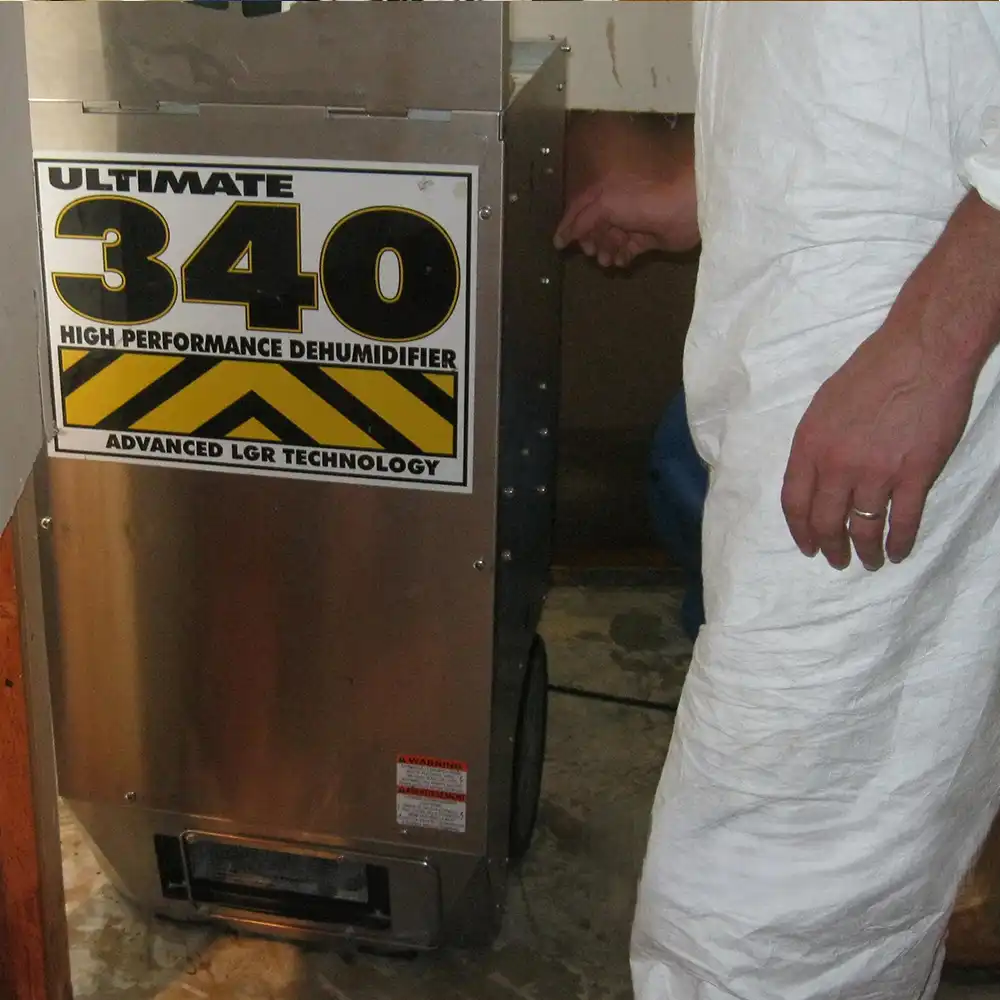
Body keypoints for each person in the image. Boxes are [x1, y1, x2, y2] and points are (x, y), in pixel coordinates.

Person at [555, 5, 1000, 999]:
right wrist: (722, 181)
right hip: (844, 315)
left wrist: (934, 339)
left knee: (770, 903)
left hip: (910, 333)